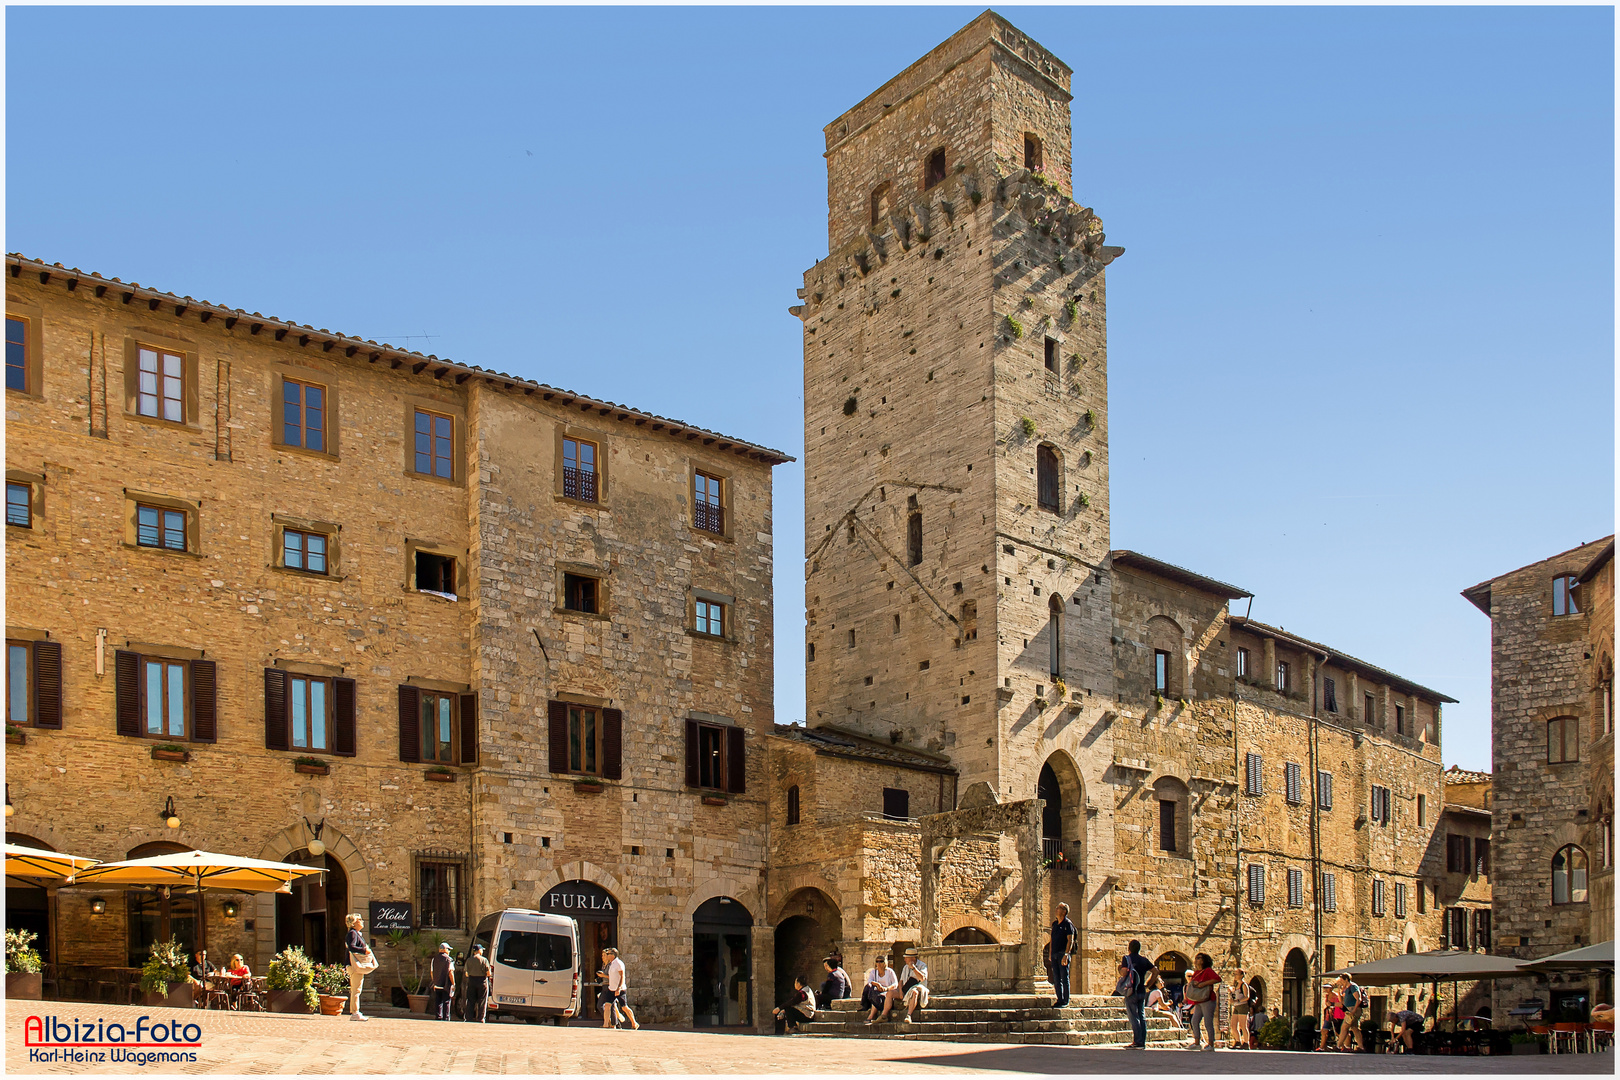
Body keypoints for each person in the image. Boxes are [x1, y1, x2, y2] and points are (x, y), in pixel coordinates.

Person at [1118, 939, 1154, 1049]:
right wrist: (1148, 984)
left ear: (1129, 948)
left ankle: (1137, 1042)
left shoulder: (1127, 958)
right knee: (1141, 1016)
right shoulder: (1144, 960)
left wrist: (1119, 968)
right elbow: (1156, 971)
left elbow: (1124, 972)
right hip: (1142, 991)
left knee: (1133, 1016)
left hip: (1131, 991)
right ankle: (1142, 1041)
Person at [599, 947, 639, 1030]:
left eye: (608, 954)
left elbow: (622, 976)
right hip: (611, 989)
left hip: (619, 990)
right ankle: (606, 1024)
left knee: (624, 1007)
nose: (607, 955)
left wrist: (619, 988)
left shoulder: (619, 963)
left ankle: (634, 1023)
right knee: (607, 1006)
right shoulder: (611, 964)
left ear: (613, 955)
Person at [343, 913, 373, 1022]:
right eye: (359, 919)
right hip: (354, 965)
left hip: (354, 965)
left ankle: (355, 1012)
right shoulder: (353, 933)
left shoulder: (355, 933)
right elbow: (352, 947)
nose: (362, 921)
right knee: (356, 989)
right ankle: (355, 1013)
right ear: (353, 923)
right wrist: (364, 950)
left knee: (356, 989)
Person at [1048, 902, 1077, 1008]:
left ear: (1064, 911)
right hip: (1055, 953)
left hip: (1062, 954)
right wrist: (1050, 953)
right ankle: (1059, 999)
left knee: (1064, 977)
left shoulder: (1068, 924)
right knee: (1056, 978)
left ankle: (1065, 1000)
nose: (1056, 909)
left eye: (1059, 907)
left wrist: (1066, 954)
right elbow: (1052, 940)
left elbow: (1070, 940)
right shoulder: (1055, 924)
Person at [860, 955, 899, 1024]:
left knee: (878, 997)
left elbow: (895, 984)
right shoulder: (873, 972)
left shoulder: (890, 972)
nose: (879, 963)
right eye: (877, 961)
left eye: (881, 961)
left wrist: (886, 988)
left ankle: (870, 1017)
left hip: (887, 992)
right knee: (869, 988)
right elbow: (870, 981)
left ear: (885, 963)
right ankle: (865, 1006)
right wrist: (877, 985)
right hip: (876, 992)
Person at [1334, 974, 1365, 1051]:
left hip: (1353, 1010)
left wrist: (1353, 1011)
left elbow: (1359, 999)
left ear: (1346, 979)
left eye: (1341, 980)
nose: (1341, 982)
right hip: (1348, 1010)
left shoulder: (1353, 986)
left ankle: (1338, 1046)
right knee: (1355, 1028)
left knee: (1344, 1027)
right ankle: (1361, 1047)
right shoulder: (1347, 988)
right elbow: (1342, 1002)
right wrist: (1339, 990)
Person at [900, 947, 929, 1022]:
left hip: (918, 987)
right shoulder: (905, 967)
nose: (905, 960)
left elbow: (922, 978)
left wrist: (913, 968)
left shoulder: (922, 966)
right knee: (890, 994)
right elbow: (901, 981)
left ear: (912, 958)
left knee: (914, 992)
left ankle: (909, 1015)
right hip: (906, 988)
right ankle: (884, 1015)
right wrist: (900, 992)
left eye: (906, 958)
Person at [463, 942, 491, 1023]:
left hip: (472, 981)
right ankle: (480, 1018)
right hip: (482, 981)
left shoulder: (469, 960)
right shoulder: (484, 960)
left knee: (470, 1000)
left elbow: (466, 973)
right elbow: (488, 973)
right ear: (479, 950)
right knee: (482, 1000)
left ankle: (468, 1018)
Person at [430, 942, 455, 1021]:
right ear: (445, 950)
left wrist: (434, 981)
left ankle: (438, 1016)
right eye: (448, 949)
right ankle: (446, 1017)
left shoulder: (434, 959)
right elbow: (450, 972)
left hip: (437, 984)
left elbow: (432, 972)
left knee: (438, 1001)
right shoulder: (449, 959)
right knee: (446, 1001)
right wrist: (453, 983)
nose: (449, 951)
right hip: (446, 984)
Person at [1228, 968, 1252, 1049]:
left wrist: (1237, 1000)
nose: (1235, 975)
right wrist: (1231, 993)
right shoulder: (1236, 985)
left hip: (1243, 1006)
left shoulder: (1244, 985)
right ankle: (1237, 1041)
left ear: (1241, 975)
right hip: (1237, 1006)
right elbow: (1235, 996)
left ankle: (1246, 1042)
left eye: (1236, 974)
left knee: (1243, 1025)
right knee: (1233, 1025)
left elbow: (1247, 996)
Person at [1316, 984, 1344, 1050]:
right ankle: (1322, 1047)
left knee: (1338, 1032)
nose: (1326, 989)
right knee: (1324, 1031)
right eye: (1325, 988)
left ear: (1331, 988)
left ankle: (1342, 1046)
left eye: (1327, 988)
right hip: (1328, 1016)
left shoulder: (1336, 996)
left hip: (1335, 1016)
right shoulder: (1327, 996)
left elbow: (1339, 1005)